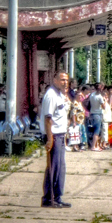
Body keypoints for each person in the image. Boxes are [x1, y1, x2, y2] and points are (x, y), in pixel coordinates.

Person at [40, 72, 72, 208]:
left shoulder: (59, 95)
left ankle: (57, 197)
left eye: (66, 80)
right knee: (54, 167)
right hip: (54, 136)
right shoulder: (51, 95)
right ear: (55, 80)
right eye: (62, 79)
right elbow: (48, 119)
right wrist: (49, 139)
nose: (65, 82)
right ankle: (49, 198)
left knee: (59, 168)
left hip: (60, 135)